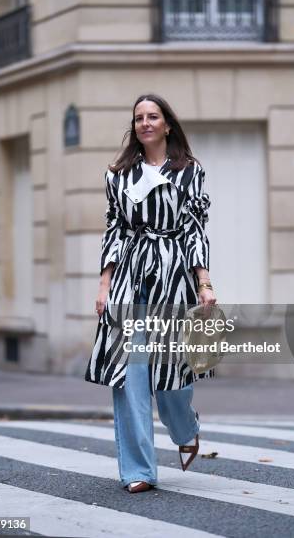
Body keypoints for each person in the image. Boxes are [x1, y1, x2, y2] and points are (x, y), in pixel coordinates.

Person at [84, 94, 217, 493]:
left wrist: (204, 282)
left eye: (153, 116)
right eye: (139, 117)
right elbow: (115, 229)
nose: (145, 123)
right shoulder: (118, 174)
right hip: (130, 278)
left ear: (167, 125)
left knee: (174, 373)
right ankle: (139, 470)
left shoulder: (189, 171)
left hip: (173, 276)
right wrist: (105, 284)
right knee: (130, 374)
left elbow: (195, 229)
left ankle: (185, 426)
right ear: (134, 127)